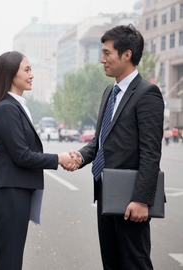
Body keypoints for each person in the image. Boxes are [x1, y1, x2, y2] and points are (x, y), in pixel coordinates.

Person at [66, 24, 164, 269]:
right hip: (106, 195)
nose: (102, 60)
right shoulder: (110, 91)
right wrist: (80, 155)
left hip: (131, 199)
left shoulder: (147, 93)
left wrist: (142, 200)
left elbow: (151, 152)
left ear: (127, 54)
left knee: (135, 263)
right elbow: (100, 141)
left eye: (107, 53)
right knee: (111, 263)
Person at [0, 51, 79, 270]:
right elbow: (22, 155)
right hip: (11, 194)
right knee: (8, 260)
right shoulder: (7, 108)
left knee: (5, 258)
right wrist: (59, 158)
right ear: (10, 74)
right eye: (26, 70)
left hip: (15, 192)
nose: (32, 75)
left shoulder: (15, 105)